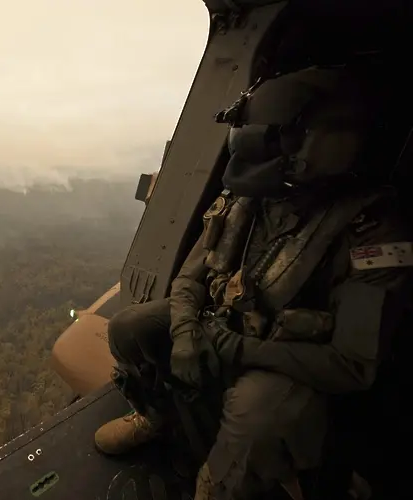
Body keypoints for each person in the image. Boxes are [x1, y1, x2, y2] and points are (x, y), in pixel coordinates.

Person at [93, 66, 413, 500]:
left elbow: (353, 366)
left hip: (291, 362)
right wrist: (186, 331)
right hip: (227, 330)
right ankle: (156, 415)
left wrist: (240, 350)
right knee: (128, 327)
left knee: (257, 411)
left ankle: (220, 486)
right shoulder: (251, 195)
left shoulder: (370, 232)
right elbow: (191, 276)